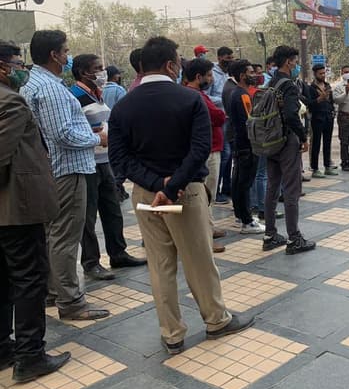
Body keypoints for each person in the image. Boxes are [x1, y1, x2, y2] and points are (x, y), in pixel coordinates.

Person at [109, 36, 253, 355]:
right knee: (199, 259)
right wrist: (171, 186)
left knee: (160, 264)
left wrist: (156, 184)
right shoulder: (190, 99)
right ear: (171, 65)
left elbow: (120, 159)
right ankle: (216, 320)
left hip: (145, 194)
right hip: (185, 191)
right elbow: (200, 149)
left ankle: (172, 333)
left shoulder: (123, 106)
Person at [20, 31, 110, 322]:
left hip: (54, 168)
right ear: (54, 55)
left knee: (53, 235)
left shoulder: (36, 84)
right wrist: (97, 139)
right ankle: (71, 301)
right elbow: (63, 134)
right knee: (65, 237)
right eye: (66, 51)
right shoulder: (50, 89)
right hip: (67, 169)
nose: (68, 56)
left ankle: (53, 290)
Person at [0, 42, 72, 383]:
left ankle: (3, 348)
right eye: (16, 63)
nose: (21, 69)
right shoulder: (10, 102)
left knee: (3, 279)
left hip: (8, 210)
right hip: (17, 208)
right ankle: (30, 356)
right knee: (29, 279)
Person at [71, 54, 146, 279]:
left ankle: (118, 253)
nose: (102, 72)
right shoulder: (74, 96)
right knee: (88, 216)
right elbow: (73, 128)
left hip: (106, 161)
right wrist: (93, 135)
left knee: (112, 210)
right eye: (98, 68)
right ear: (84, 72)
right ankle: (91, 262)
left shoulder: (97, 94)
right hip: (87, 163)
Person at [262, 45, 316, 255]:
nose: (296, 65)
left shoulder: (270, 82)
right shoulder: (288, 86)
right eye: (294, 61)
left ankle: (270, 235)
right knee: (292, 190)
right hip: (286, 141)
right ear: (288, 62)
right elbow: (292, 115)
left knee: (272, 188)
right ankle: (294, 239)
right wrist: (303, 137)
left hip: (270, 141)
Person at [183, 58, 228, 253]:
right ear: (198, 77)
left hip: (209, 147)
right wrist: (221, 114)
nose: (212, 79)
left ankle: (209, 228)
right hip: (208, 150)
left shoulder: (197, 94)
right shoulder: (196, 96)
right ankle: (206, 238)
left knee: (207, 195)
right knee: (207, 195)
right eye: (209, 75)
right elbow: (218, 116)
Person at [228, 60, 265, 234]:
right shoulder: (242, 95)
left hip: (240, 144)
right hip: (247, 145)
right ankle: (246, 221)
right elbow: (249, 122)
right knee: (244, 183)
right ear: (242, 76)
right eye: (251, 73)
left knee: (239, 182)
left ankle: (241, 216)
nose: (254, 75)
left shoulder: (236, 93)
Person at [207, 46, 235, 204]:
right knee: (224, 154)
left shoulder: (228, 74)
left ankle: (227, 187)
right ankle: (216, 190)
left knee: (229, 155)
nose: (230, 60)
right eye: (227, 58)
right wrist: (224, 99)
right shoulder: (212, 74)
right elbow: (206, 95)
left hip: (230, 117)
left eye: (231, 57)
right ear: (219, 58)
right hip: (219, 118)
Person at [308, 64, 337, 177]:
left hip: (328, 117)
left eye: (324, 73)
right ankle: (315, 168)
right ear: (315, 74)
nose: (323, 75)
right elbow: (309, 104)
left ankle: (327, 166)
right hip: (317, 118)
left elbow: (331, 101)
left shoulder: (327, 86)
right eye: (320, 73)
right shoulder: (311, 88)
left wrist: (332, 111)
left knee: (327, 142)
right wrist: (319, 99)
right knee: (316, 143)